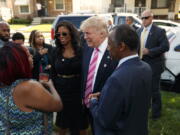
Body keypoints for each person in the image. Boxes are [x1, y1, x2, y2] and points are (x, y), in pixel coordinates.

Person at [89, 24, 152, 135]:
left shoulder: (117, 79)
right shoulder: (145, 67)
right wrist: (105, 95)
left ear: (121, 46)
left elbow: (104, 119)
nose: (108, 48)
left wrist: (93, 101)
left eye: (109, 44)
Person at [0, 43, 63, 134]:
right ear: (20, 61)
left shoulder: (4, 83)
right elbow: (57, 105)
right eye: (29, 56)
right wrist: (51, 86)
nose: (32, 58)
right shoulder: (29, 87)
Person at [80, 16, 118, 134]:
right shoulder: (88, 48)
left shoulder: (115, 51)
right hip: (87, 105)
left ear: (102, 34)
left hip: (106, 107)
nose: (85, 37)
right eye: (84, 33)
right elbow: (85, 75)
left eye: (88, 33)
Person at [51, 21, 88, 135]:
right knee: (62, 125)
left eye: (64, 34)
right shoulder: (56, 51)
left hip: (77, 91)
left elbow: (85, 72)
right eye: (58, 34)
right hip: (61, 91)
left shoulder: (81, 51)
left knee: (80, 126)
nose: (61, 37)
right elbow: (53, 72)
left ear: (71, 34)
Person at [137, 10, 169, 119]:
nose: (143, 20)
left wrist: (149, 51)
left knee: (154, 90)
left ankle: (156, 114)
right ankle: (144, 109)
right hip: (140, 65)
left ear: (151, 18)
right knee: (142, 89)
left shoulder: (159, 31)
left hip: (154, 65)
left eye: (146, 18)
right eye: (142, 18)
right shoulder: (139, 31)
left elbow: (165, 47)